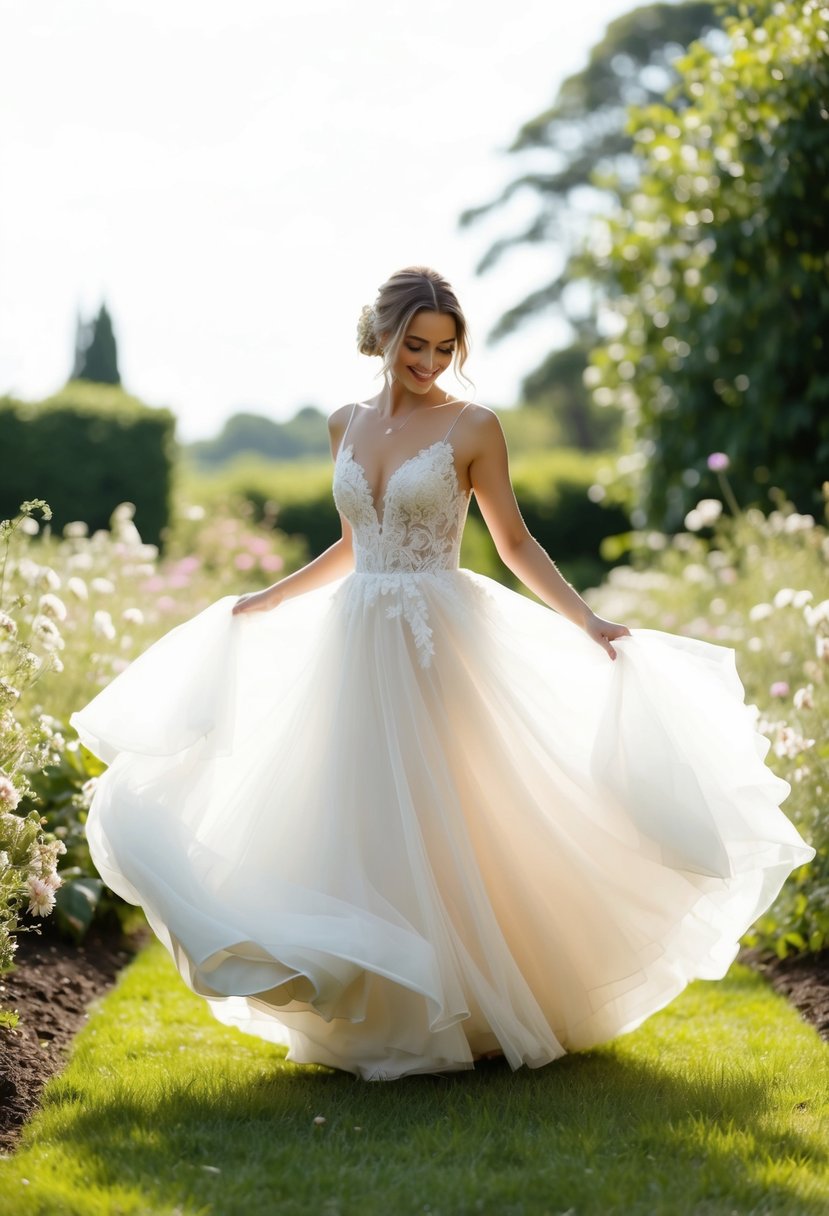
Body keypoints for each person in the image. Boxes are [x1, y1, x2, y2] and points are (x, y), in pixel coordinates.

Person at [70, 265, 816, 1081]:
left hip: (440, 641)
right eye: (414, 344)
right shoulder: (342, 425)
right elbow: (355, 544)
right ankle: (382, 1014)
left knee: (454, 815)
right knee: (360, 815)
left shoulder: (473, 427)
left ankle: (481, 1001)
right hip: (354, 640)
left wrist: (588, 619)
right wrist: (272, 598)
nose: (427, 361)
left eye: (443, 347)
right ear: (381, 336)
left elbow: (514, 543)